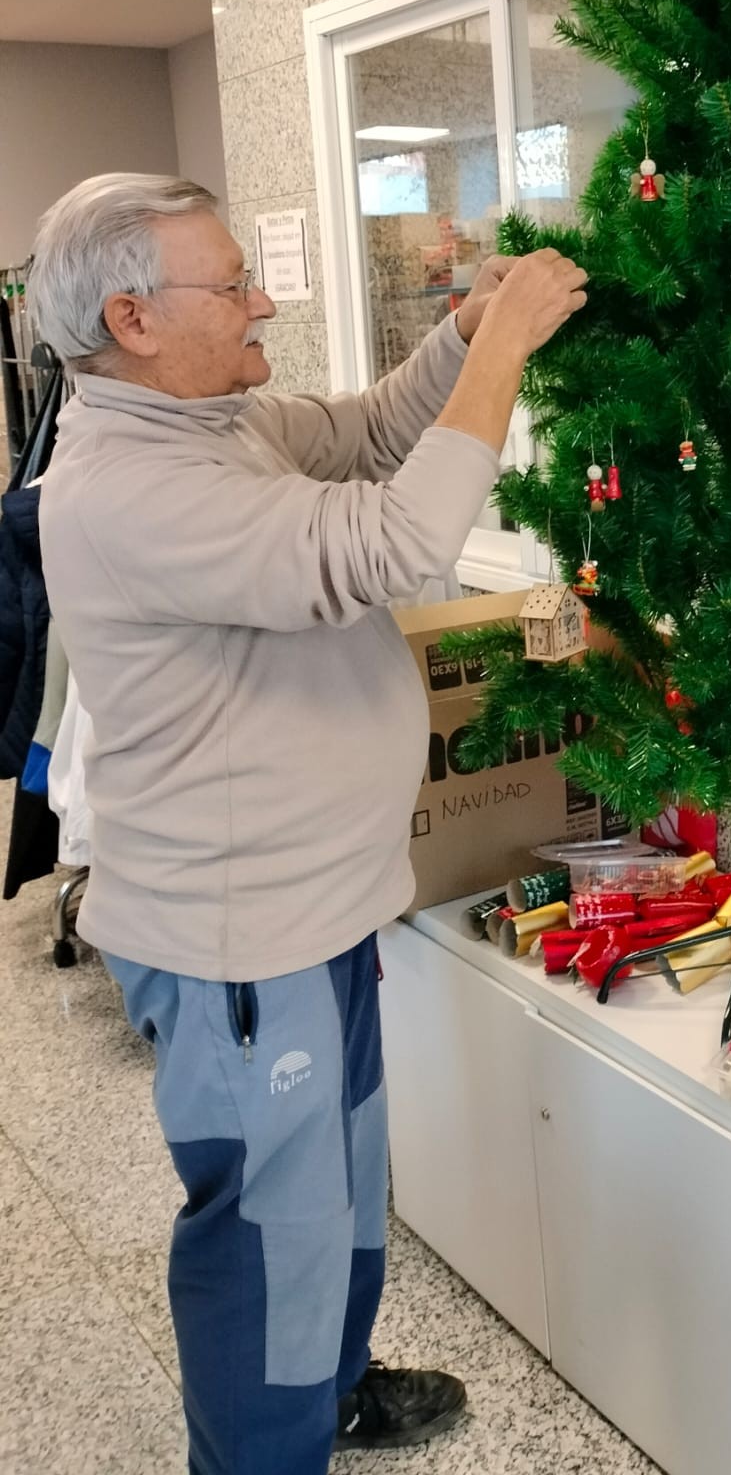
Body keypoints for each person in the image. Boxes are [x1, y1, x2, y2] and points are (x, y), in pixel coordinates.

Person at [30, 174, 586, 1475]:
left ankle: (330, 1392)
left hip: (321, 906)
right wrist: (507, 354)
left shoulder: (216, 422)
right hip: (239, 944)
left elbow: (363, 432)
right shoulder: (124, 490)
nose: (262, 296)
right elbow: (392, 545)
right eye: (230, 284)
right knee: (268, 1232)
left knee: (336, 1190)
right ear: (134, 317)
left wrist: (459, 336)